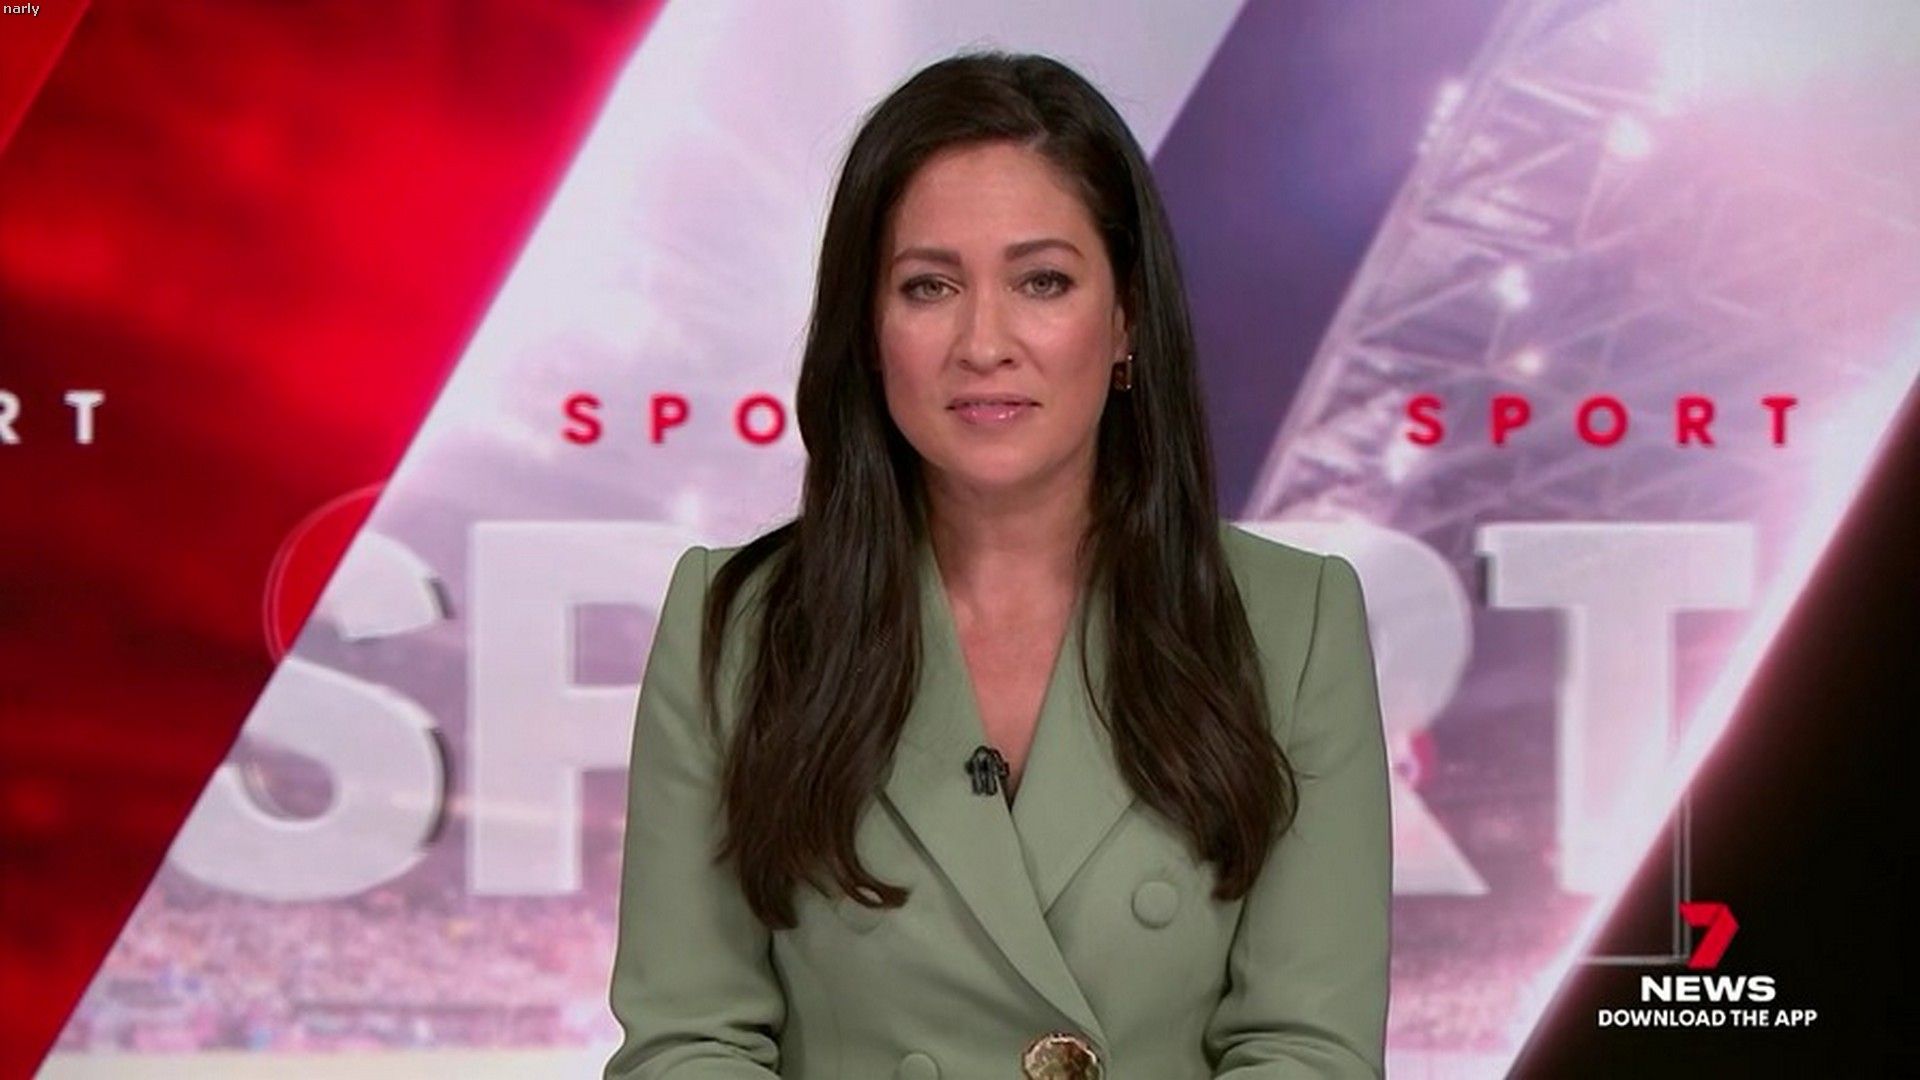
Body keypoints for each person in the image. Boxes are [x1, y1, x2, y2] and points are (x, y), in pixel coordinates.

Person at [605, 49, 1390, 1080]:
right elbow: (688, 1045)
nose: (984, 342)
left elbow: (1307, 1051)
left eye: (1042, 281)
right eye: (929, 286)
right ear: (868, 327)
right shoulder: (737, 625)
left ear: (1126, 318)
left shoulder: (1295, 623)